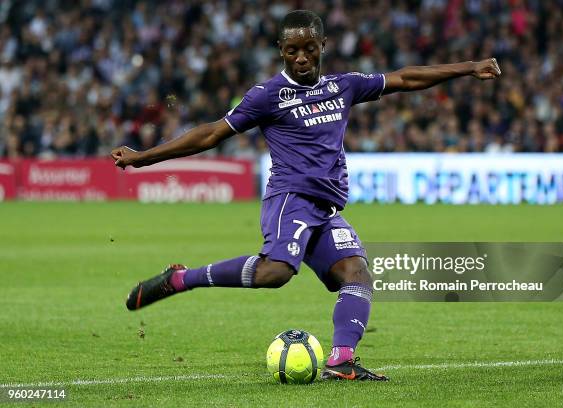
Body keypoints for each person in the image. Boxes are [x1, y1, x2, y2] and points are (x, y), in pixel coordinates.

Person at [111, 10, 501, 381]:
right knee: (275, 273)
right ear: (281, 50)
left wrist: (468, 68)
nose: (301, 57)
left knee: (357, 272)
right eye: (292, 50)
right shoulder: (268, 95)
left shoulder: (342, 86)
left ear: (323, 45)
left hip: (326, 208)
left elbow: (404, 79)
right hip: (290, 200)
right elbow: (212, 133)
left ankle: (342, 360)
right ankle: (183, 279)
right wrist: (144, 158)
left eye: (309, 48)